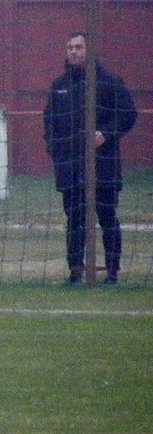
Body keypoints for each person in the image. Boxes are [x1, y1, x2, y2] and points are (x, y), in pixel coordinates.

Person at [42, 31, 137, 285]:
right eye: (70, 47)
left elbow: (128, 114)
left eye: (79, 47)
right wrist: (55, 150)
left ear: (89, 50)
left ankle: (112, 273)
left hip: (103, 165)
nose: (74, 51)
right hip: (70, 167)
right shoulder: (59, 86)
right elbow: (49, 121)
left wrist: (106, 134)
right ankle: (75, 272)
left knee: (107, 217)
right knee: (75, 220)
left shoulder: (108, 81)